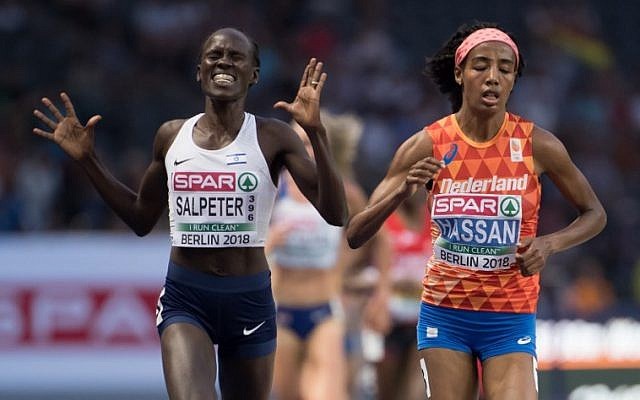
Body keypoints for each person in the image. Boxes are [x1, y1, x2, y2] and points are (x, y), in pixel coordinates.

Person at [32, 27, 347, 400]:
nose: (224, 62)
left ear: (254, 74)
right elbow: (140, 218)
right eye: (214, 55)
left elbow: (336, 214)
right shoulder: (171, 136)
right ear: (199, 71)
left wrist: (316, 133)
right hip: (187, 299)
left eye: (235, 56)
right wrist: (89, 161)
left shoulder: (273, 137)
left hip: (249, 300)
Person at [346, 21, 606, 400]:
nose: (493, 77)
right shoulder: (427, 144)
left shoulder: (537, 144)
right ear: (459, 73)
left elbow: (594, 213)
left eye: (505, 69)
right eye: (481, 65)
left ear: (514, 80)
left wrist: (548, 245)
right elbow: (356, 233)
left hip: (510, 315)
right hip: (446, 314)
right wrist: (402, 191)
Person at [266, 110, 390, 400]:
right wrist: (268, 244)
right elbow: (245, 251)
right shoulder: (272, 190)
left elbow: (381, 239)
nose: (301, 150)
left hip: (325, 311)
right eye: (295, 142)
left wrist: (379, 290)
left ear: (324, 147)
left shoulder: (343, 192)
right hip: (280, 312)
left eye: (309, 143)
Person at [376, 191, 432, 400]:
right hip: (389, 321)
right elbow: (354, 268)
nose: (418, 191)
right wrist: (389, 284)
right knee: (388, 393)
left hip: (423, 320)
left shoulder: (435, 220)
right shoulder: (383, 221)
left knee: (414, 393)